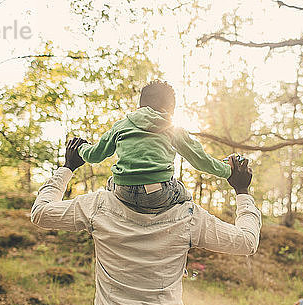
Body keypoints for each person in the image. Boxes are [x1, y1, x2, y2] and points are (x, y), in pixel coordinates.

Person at [31, 140, 261, 305]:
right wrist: (242, 191)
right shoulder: (188, 216)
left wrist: (68, 167)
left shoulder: (98, 205)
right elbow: (247, 241)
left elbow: (41, 212)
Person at [77, 80, 233, 214]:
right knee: (185, 196)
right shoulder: (173, 128)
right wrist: (227, 170)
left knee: (111, 181)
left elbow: (94, 156)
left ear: (140, 104)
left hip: (123, 191)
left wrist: (81, 147)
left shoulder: (121, 126)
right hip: (158, 194)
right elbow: (201, 159)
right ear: (171, 107)